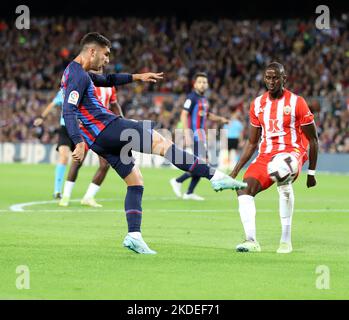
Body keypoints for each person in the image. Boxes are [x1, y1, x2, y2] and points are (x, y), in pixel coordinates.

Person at [61, 32, 247, 254]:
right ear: (92, 51)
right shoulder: (79, 76)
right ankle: (215, 177)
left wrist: (137, 77)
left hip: (100, 140)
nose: (107, 60)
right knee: (162, 143)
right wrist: (77, 141)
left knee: (135, 181)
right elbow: (68, 109)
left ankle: (134, 236)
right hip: (108, 128)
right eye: (106, 54)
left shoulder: (76, 72)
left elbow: (107, 80)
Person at [223, 62, 319, 253]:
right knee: (243, 189)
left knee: (282, 175)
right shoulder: (257, 104)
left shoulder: (297, 102)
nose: (272, 81)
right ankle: (251, 240)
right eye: (268, 77)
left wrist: (311, 173)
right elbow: (252, 143)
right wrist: (234, 171)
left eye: (276, 77)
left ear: (284, 79)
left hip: (292, 153)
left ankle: (285, 240)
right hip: (265, 155)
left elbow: (313, 139)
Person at [59, 68, 124, 207]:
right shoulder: (85, 82)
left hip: (102, 130)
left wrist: (122, 120)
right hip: (85, 129)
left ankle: (88, 197)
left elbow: (114, 104)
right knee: (77, 161)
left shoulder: (109, 87)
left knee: (105, 164)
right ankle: (66, 196)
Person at [170, 72, 229, 201]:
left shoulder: (204, 99)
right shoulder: (192, 97)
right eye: (200, 82)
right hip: (195, 135)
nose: (202, 84)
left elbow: (207, 115)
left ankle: (187, 190)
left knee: (201, 164)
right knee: (202, 164)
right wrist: (187, 133)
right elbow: (184, 114)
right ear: (195, 84)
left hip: (201, 135)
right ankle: (179, 182)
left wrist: (220, 119)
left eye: (204, 82)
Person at [33, 90, 72, 199]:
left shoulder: (88, 87)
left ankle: (85, 193)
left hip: (82, 129)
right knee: (64, 157)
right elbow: (53, 104)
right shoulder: (65, 90)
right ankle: (57, 191)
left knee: (78, 161)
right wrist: (41, 117)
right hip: (66, 128)